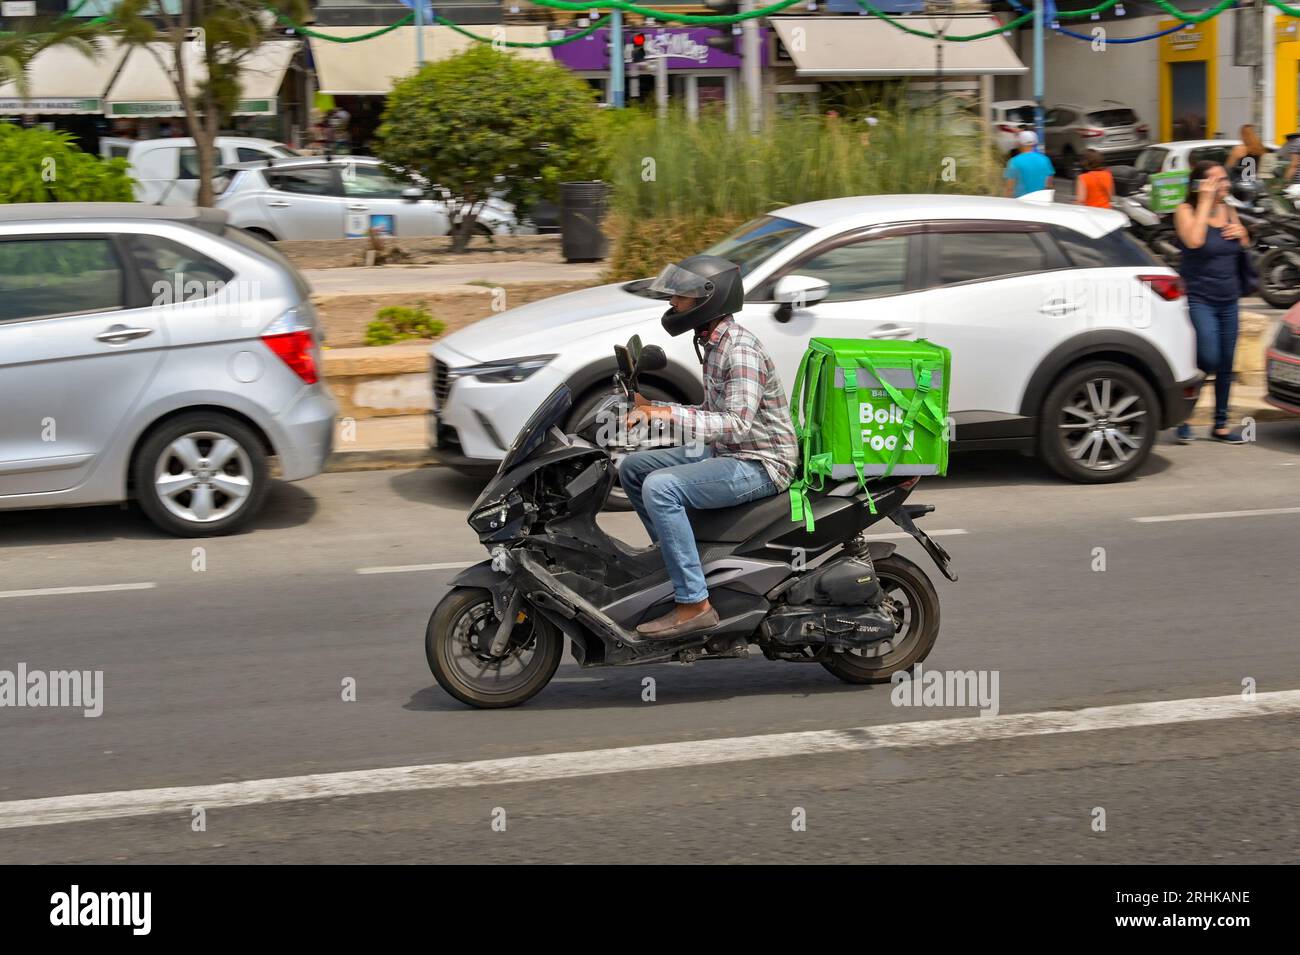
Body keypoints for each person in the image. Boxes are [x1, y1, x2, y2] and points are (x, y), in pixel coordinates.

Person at [618, 256, 799, 640]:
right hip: (731, 451)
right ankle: (677, 562)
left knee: (660, 487)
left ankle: (694, 603)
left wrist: (667, 414)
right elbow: (710, 412)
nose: (673, 304)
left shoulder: (740, 349)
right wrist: (653, 409)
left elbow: (735, 422)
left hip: (761, 462)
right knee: (633, 469)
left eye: (680, 297)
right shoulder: (712, 342)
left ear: (708, 300)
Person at [1173, 161, 1250, 444]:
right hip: (1200, 297)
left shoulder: (1229, 210)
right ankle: (1185, 416)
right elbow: (1194, 240)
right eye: (1218, 181)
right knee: (1207, 358)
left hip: (1229, 298)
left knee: (1226, 363)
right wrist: (1204, 200)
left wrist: (1243, 235)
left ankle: (1220, 424)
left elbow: (1244, 243)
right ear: (1201, 184)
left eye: (1225, 179)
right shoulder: (1186, 211)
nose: (1225, 184)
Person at [1004, 130, 1055, 198]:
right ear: (1034, 143)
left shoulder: (1014, 161)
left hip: (1021, 201)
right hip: (1041, 201)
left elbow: (1009, 188)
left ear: (1019, 143)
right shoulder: (1044, 159)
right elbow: (1049, 185)